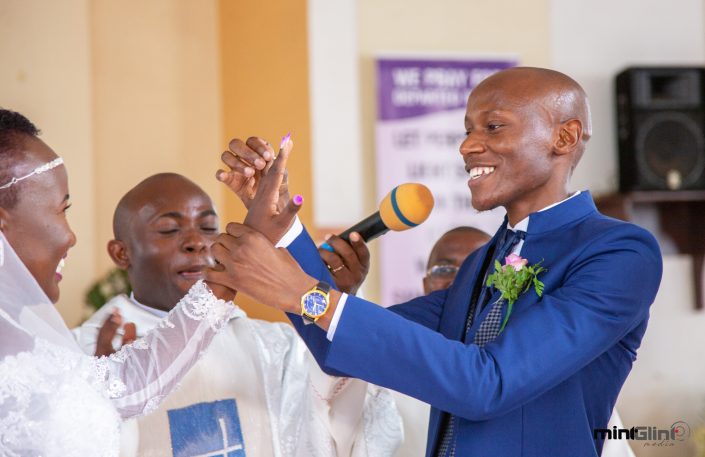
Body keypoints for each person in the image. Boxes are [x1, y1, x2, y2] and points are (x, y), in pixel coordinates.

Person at [206, 66, 663, 457]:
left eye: (493, 127)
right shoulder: (482, 263)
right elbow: (340, 352)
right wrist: (280, 225)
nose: (467, 146)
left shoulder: (619, 253)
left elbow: (488, 384)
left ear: (563, 137)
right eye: (467, 130)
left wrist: (305, 294)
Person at [74, 173, 402, 457]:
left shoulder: (272, 347)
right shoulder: (86, 353)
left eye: (208, 227)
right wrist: (103, 402)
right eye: (170, 229)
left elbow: (336, 426)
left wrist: (333, 312)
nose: (196, 243)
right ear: (121, 252)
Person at [0, 109, 237, 456]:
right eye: (61, 209)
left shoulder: (22, 334)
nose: (71, 236)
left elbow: (126, 387)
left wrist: (233, 268)